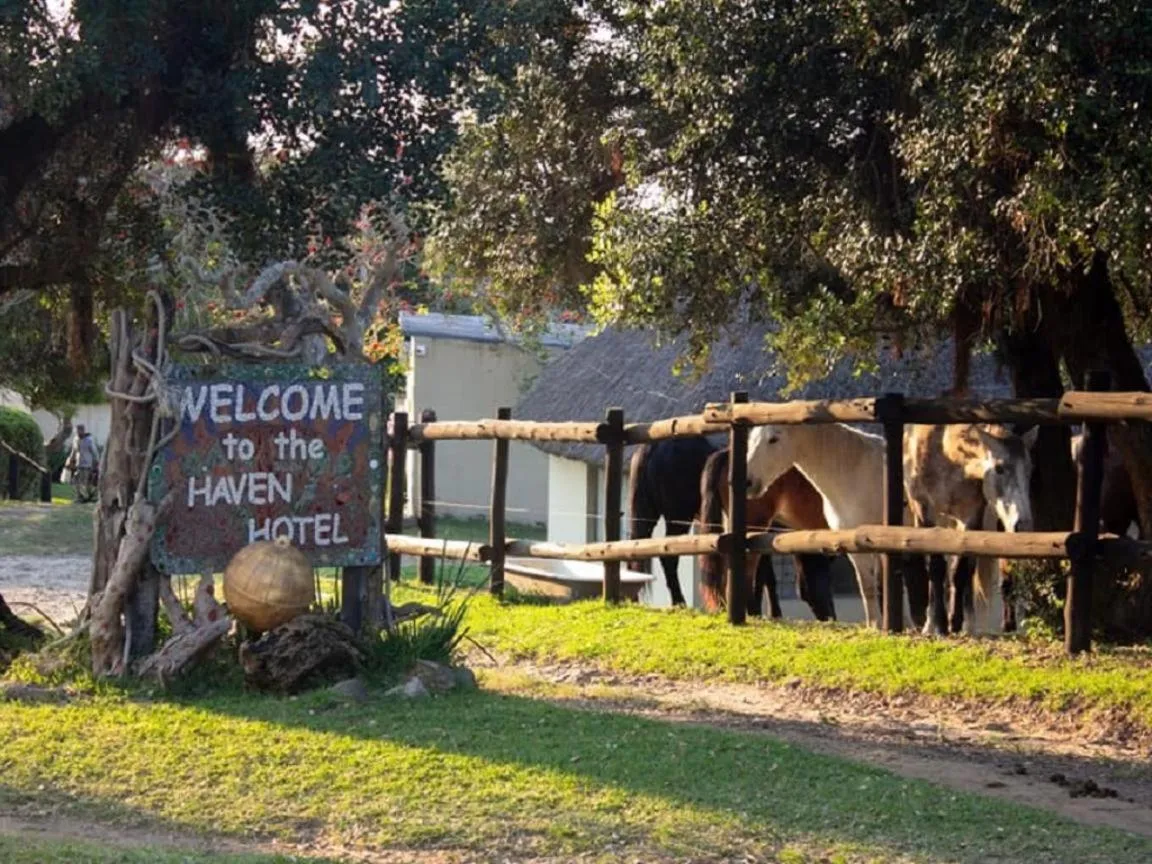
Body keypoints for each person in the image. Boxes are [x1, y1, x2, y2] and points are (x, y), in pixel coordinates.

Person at [64, 424, 100, 503]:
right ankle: (80, 496)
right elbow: (74, 451)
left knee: (85, 482)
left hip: (87, 464)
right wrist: (70, 460)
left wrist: (96, 463)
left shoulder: (89, 440)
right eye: (76, 431)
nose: (77, 432)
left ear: (83, 430)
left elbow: (94, 452)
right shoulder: (76, 439)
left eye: (79, 430)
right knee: (76, 481)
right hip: (78, 464)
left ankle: (87, 497)